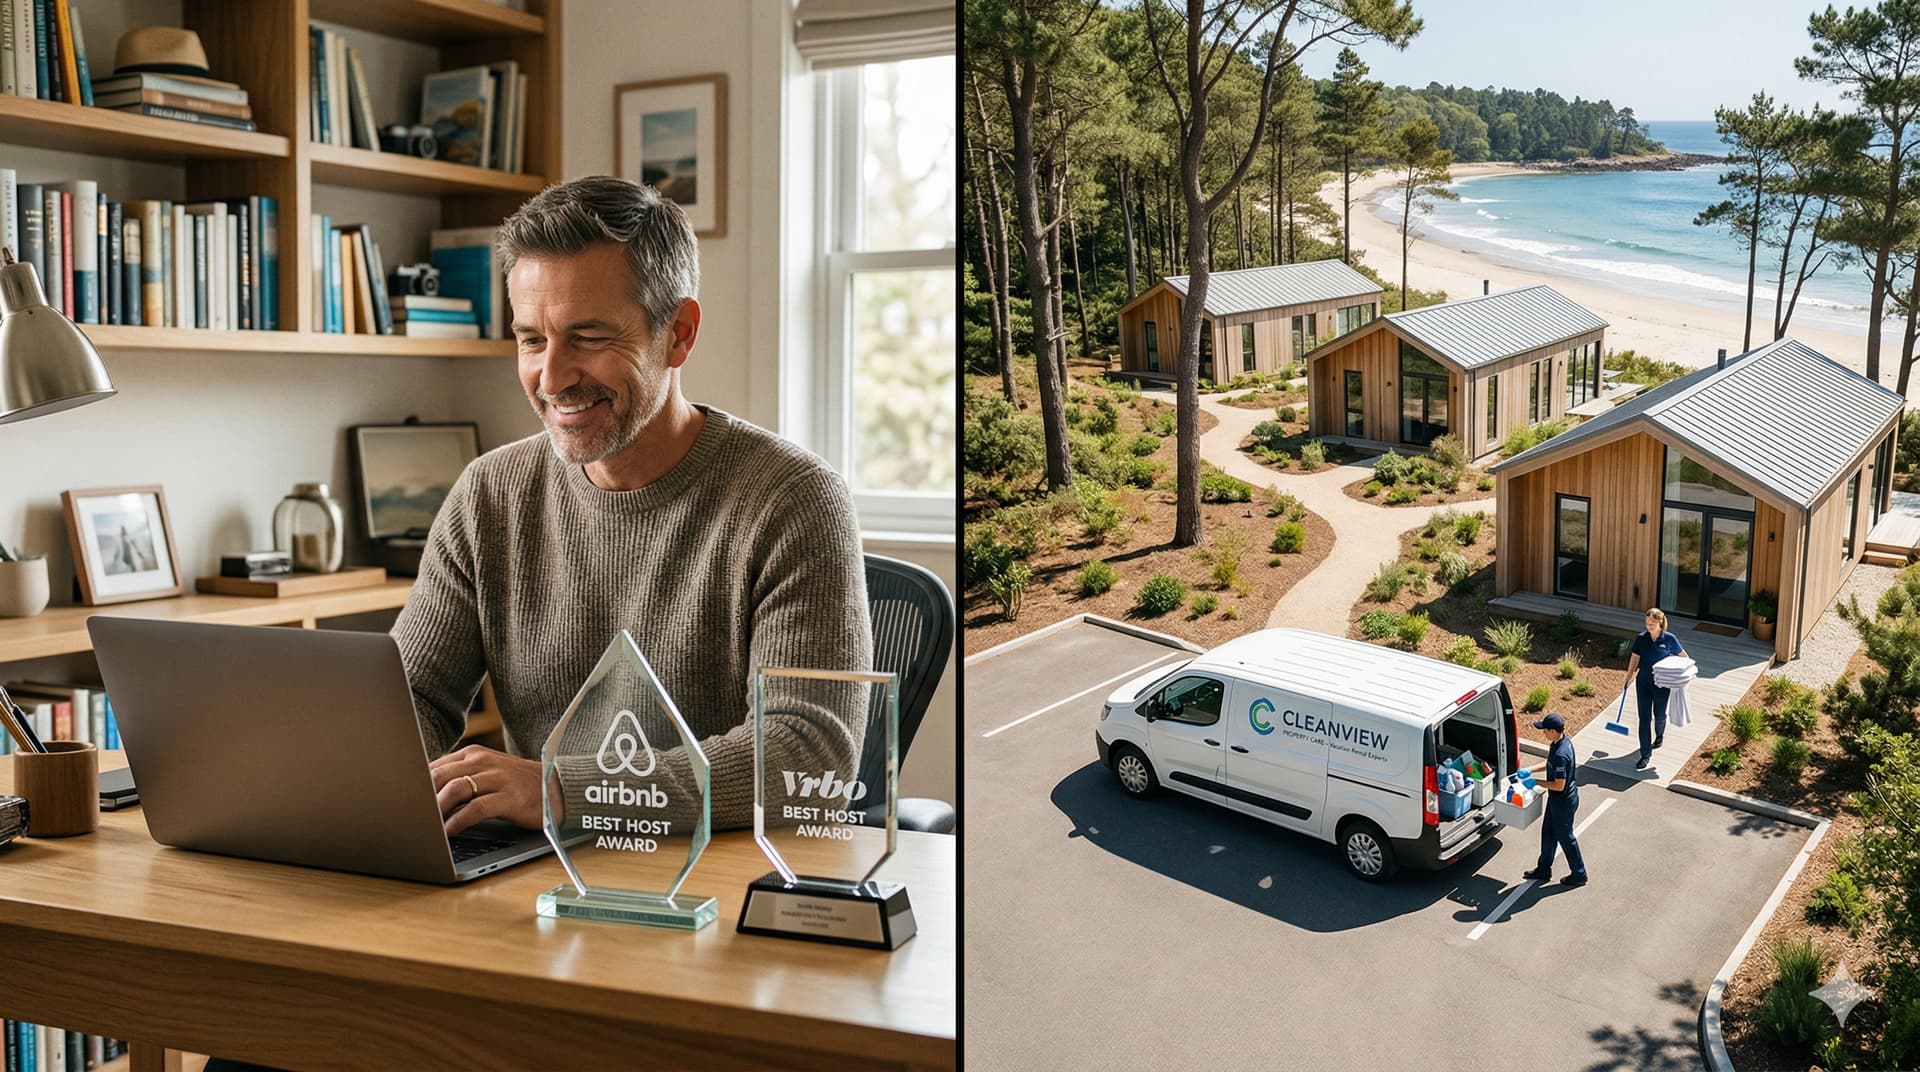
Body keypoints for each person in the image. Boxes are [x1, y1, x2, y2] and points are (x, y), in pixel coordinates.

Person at [390, 175, 872, 837]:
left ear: (678, 334)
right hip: (540, 878)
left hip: (720, 888)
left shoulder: (793, 500)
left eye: (587, 338)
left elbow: (806, 757)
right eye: (532, 339)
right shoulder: (488, 496)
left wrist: (562, 791)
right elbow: (408, 697)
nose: (552, 378)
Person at [1521, 712, 1587, 888]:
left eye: (1545, 730)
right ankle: (1543, 869)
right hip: (1558, 800)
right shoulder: (1561, 742)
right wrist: (1530, 770)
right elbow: (1549, 762)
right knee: (1548, 833)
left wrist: (1535, 782)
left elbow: (1559, 785)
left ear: (1552, 731)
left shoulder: (1561, 754)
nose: (1543, 733)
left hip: (1563, 801)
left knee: (1566, 838)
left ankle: (1579, 874)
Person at [1623, 607, 1687, 770]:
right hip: (1643, 683)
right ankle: (1645, 755)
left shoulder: (1669, 639)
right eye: (1647, 623)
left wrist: (1679, 675)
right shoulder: (1641, 638)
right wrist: (1629, 676)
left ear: (1660, 622)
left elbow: (1684, 658)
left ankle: (1659, 735)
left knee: (1659, 715)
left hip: (1661, 685)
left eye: (1652, 624)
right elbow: (1635, 657)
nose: (1649, 626)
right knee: (1644, 719)